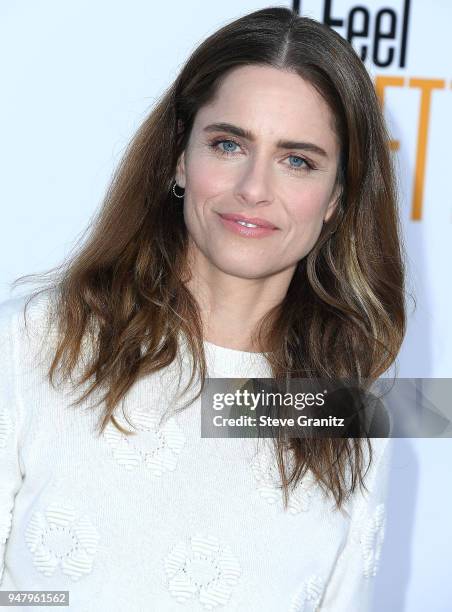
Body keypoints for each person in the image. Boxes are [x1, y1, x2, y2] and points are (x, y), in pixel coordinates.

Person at [0, 7, 406, 611]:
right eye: (228, 144)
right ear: (179, 159)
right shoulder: (41, 339)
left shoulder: (342, 406)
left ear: (336, 200)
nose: (253, 188)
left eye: (298, 160)